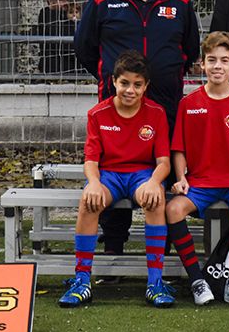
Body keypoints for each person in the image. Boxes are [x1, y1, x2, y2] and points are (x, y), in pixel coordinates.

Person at [74, 0, 200, 258]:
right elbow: (85, 50)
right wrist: (113, 82)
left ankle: (167, 252)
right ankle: (114, 246)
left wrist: (166, 79)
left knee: (164, 175)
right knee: (113, 172)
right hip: (117, 110)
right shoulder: (103, 2)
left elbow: (189, 49)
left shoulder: (179, 1)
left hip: (166, 109)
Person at [58, 51, 173, 308]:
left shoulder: (156, 113)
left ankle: (155, 281)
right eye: (124, 83)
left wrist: (155, 182)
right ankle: (82, 279)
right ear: (113, 82)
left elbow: (164, 163)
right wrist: (95, 183)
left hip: (142, 175)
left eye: (137, 84)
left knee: (155, 200)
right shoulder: (98, 114)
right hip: (109, 175)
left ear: (146, 87)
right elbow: (91, 161)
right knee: (88, 201)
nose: (130, 90)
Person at [166, 32, 229, 307]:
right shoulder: (189, 103)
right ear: (202, 64)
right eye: (212, 60)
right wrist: (182, 178)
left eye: (224, 60)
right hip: (200, 184)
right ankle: (198, 281)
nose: (217, 66)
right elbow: (179, 149)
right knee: (172, 209)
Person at [37, 0, 76, 74]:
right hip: (54, 69)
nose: (66, 3)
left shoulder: (69, 16)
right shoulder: (47, 14)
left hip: (71, 69)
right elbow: (63, 40)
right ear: (50, 1)